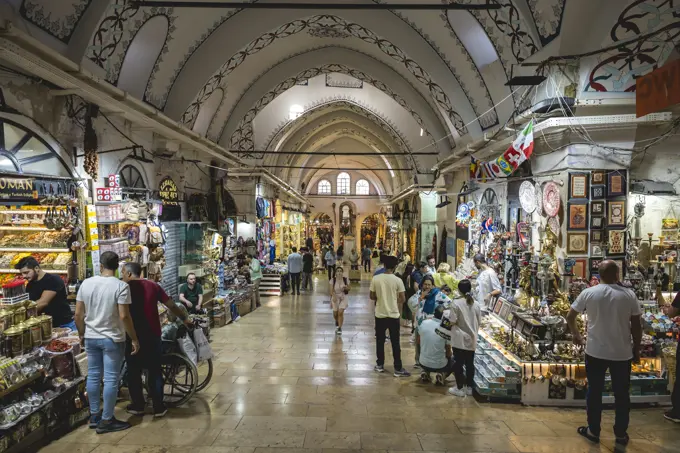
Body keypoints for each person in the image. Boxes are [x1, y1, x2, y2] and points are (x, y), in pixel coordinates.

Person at [566, 260, 642, 446]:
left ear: (598, 275)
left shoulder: (589, 293)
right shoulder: (628, 295)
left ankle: (593, 430)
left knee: (594, 392)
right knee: (622, 394)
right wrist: (637, 348)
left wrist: (577, 335)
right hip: (622, 353)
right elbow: (637, 326)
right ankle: (621, 434)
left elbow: (570, 316)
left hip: (595, 351)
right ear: (617, 274)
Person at [74, 252, 139, 434]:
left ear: (100, 265)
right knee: (111, 378)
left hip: (91, 338)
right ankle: (107, 420)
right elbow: (124, 316)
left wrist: (81, 334)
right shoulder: (121, 286)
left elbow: (78, 315)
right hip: (112, 339)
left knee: (93, 376)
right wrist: (133, 338)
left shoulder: (86, 284)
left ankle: (94, 415)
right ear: (118, 267)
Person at [121, 262, 191, 418]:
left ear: (129, 273)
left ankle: (138, 405)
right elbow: (171, 304)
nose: (122, 276)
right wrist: (184, 318)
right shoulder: (153, 286)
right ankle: (158, 406)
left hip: (132, 336)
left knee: (133, 371)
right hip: (152, 334)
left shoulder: (123, 288)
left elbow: (122, 315)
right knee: (154, 371)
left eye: (123, 273)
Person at [438, 279, 482, 398]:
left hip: (459, 339)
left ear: (458, 290)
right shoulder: (476, 304)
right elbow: (479, 321)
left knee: (458, 363)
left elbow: (452, 321)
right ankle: (469, 388)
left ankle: (460, 388)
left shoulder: (456, 303)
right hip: (472, 338)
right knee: (469, 363)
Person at [370, 255, 410, 377]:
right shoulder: (398, 280)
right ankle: (398, 368)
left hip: (380, 314)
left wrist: (381, 298)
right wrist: (393, 300)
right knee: (395, 342)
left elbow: (372, 296)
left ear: (384, 265)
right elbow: (402, 298)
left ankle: (380, 365)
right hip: (393, 315)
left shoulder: (376, 278)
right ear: (395, 266)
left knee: (380, 341)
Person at [15, 256, 74, 330]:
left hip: (63, 325)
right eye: (22, 273)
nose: (24, 276)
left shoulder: (53, 280)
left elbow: (43, 302)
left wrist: (18, 313)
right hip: (45, 326)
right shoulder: (30, 284)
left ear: (36, 268)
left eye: (26, 272)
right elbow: (30, 303)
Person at [408, 275, 451, 369]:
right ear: (422, 284)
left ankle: (431, 363)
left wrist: (441, 310)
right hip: (420, 323)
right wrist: (421, 298)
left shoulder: (438, 294)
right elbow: (411, 305)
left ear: (432, 285)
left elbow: (449, 303)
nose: (427, 287)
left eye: (429, 285)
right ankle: (418, 361)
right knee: (419, 343)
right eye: (425, 284)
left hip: (434, 324)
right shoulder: (419, 294)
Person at [418, 304, 454, 385]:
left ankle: (425, 372)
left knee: (427, 349)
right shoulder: (445, 330)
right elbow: (448, 352)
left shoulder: (423, 323)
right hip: (440, 365)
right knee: (454, 360)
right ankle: (442, 374)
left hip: (422, 362)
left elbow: (419, 341)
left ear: (434, 313)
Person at [330, 266, 350, 335]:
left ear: (342, 273)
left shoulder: (345, 279)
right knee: (335, 313)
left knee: (340, 312)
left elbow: (349, 288)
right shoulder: (333, 280)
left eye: (340, 271)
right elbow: (331, 290)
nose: (339, 272)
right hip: (335, 297)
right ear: (335, 273)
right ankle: (337, 321)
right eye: (338, 271)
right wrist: (334, 296)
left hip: (343, 297)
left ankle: (339, 328)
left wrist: (346, 288)